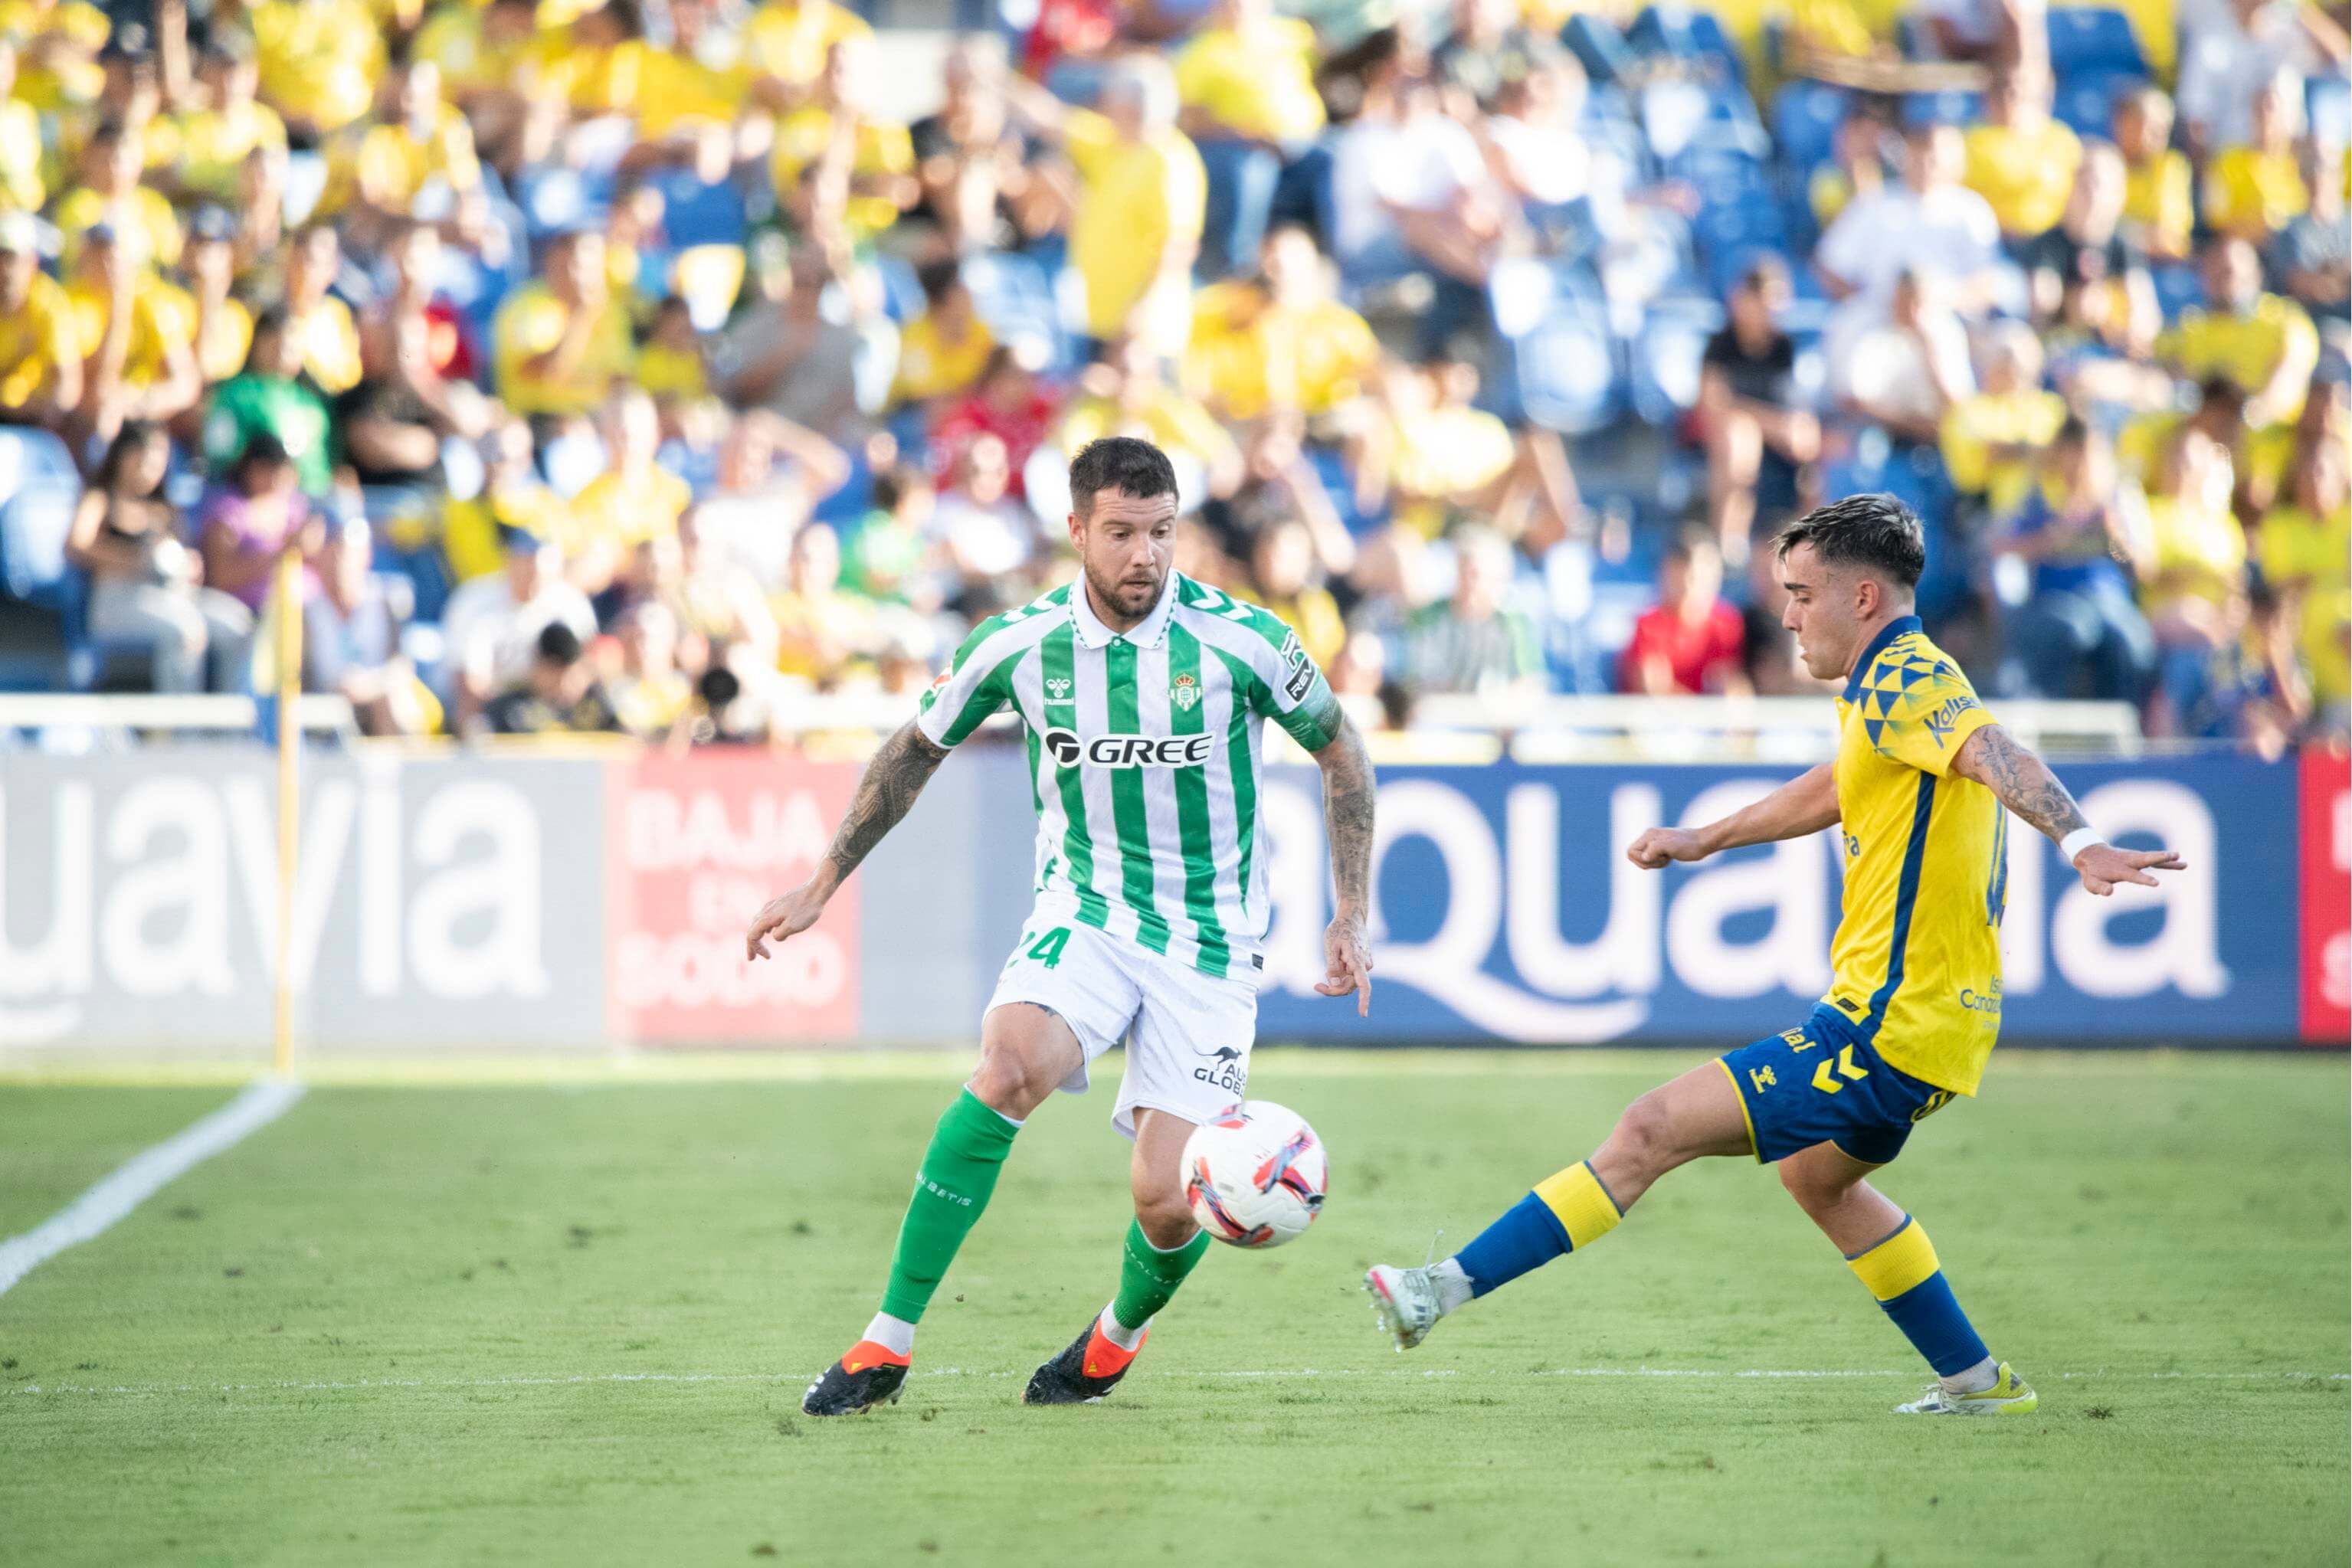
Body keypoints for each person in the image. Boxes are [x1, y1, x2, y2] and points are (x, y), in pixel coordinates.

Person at [1364, 493, 2183, 1415]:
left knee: (1648, 1129)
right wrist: (1705, 839)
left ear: (1863, 597)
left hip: (1888, 1025)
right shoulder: (1886, 689)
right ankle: (1975, 1381)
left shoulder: (1914, 678)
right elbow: (1835, 786)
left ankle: (1440, 1288)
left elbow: (1996, 751)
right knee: (1817, 1177)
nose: (1786, 616)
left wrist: (2081, 845)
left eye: (1801, 594)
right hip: (1924, 1021)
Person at [753, 435, 1377, 1416]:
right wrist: (825, 878)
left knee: (1169, 1200)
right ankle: (886, 1340)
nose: (1145, 556)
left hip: (1210, 943)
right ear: (1077, 530)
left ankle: (1114, 1339)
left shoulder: (1243, 640)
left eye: (1162, 533)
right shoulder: (1018, 643)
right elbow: (914, 752)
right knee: (1006, 1066)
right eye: (1123, 533)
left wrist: (1351, 911)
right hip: (1084, 909)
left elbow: (1343, 754)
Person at [67, 419, 253, 692]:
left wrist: (187, 565)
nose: (148, 468)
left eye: (157, 460)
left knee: (239, 624)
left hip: (171, 596)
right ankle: (182, 729)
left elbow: (183, 559)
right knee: (186, 630)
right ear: (122, 455)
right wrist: (135, 560)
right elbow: (76, 546)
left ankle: (232, 722)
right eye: (140, 457)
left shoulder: (166, 508)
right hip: (118, 601)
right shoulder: (100, 498)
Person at [1993, 417, 2158, 702]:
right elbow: (2002, 548)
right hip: (2053, 598)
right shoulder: (2037, 494)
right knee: (2074, 629)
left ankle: (2122, 726)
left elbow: (2145, 569)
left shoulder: (2120, 500)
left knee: (2129, 640)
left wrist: (2114, 537)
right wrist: (2055, 535)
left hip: (2109, 601)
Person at [1694, 259, 1819, 558]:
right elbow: (1713, 405)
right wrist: (1769, 425)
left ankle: (1807, 549)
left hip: (1780, 440)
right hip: (1728, 437)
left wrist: (1794, 431)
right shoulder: (1720, 346)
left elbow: (1799, 411)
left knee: (1818, 449)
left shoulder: (1786, 349)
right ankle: (1729, 545)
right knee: (1741, 440)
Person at [1620, 530, 1748, 696]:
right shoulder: (1648, 624)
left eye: (1697, 576)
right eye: (1680, 574)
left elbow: (1729, 684)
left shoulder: (1726, 623)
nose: (1688, 584)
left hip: (1711, 719)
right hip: (1662, 719)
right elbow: (1652, 689)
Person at [480, 620, 624, 735]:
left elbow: (626, 741)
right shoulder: (511, 709)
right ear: (539, 666)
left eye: (570, 675)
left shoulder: (594, 706)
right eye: (555, 673)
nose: (563, 684)